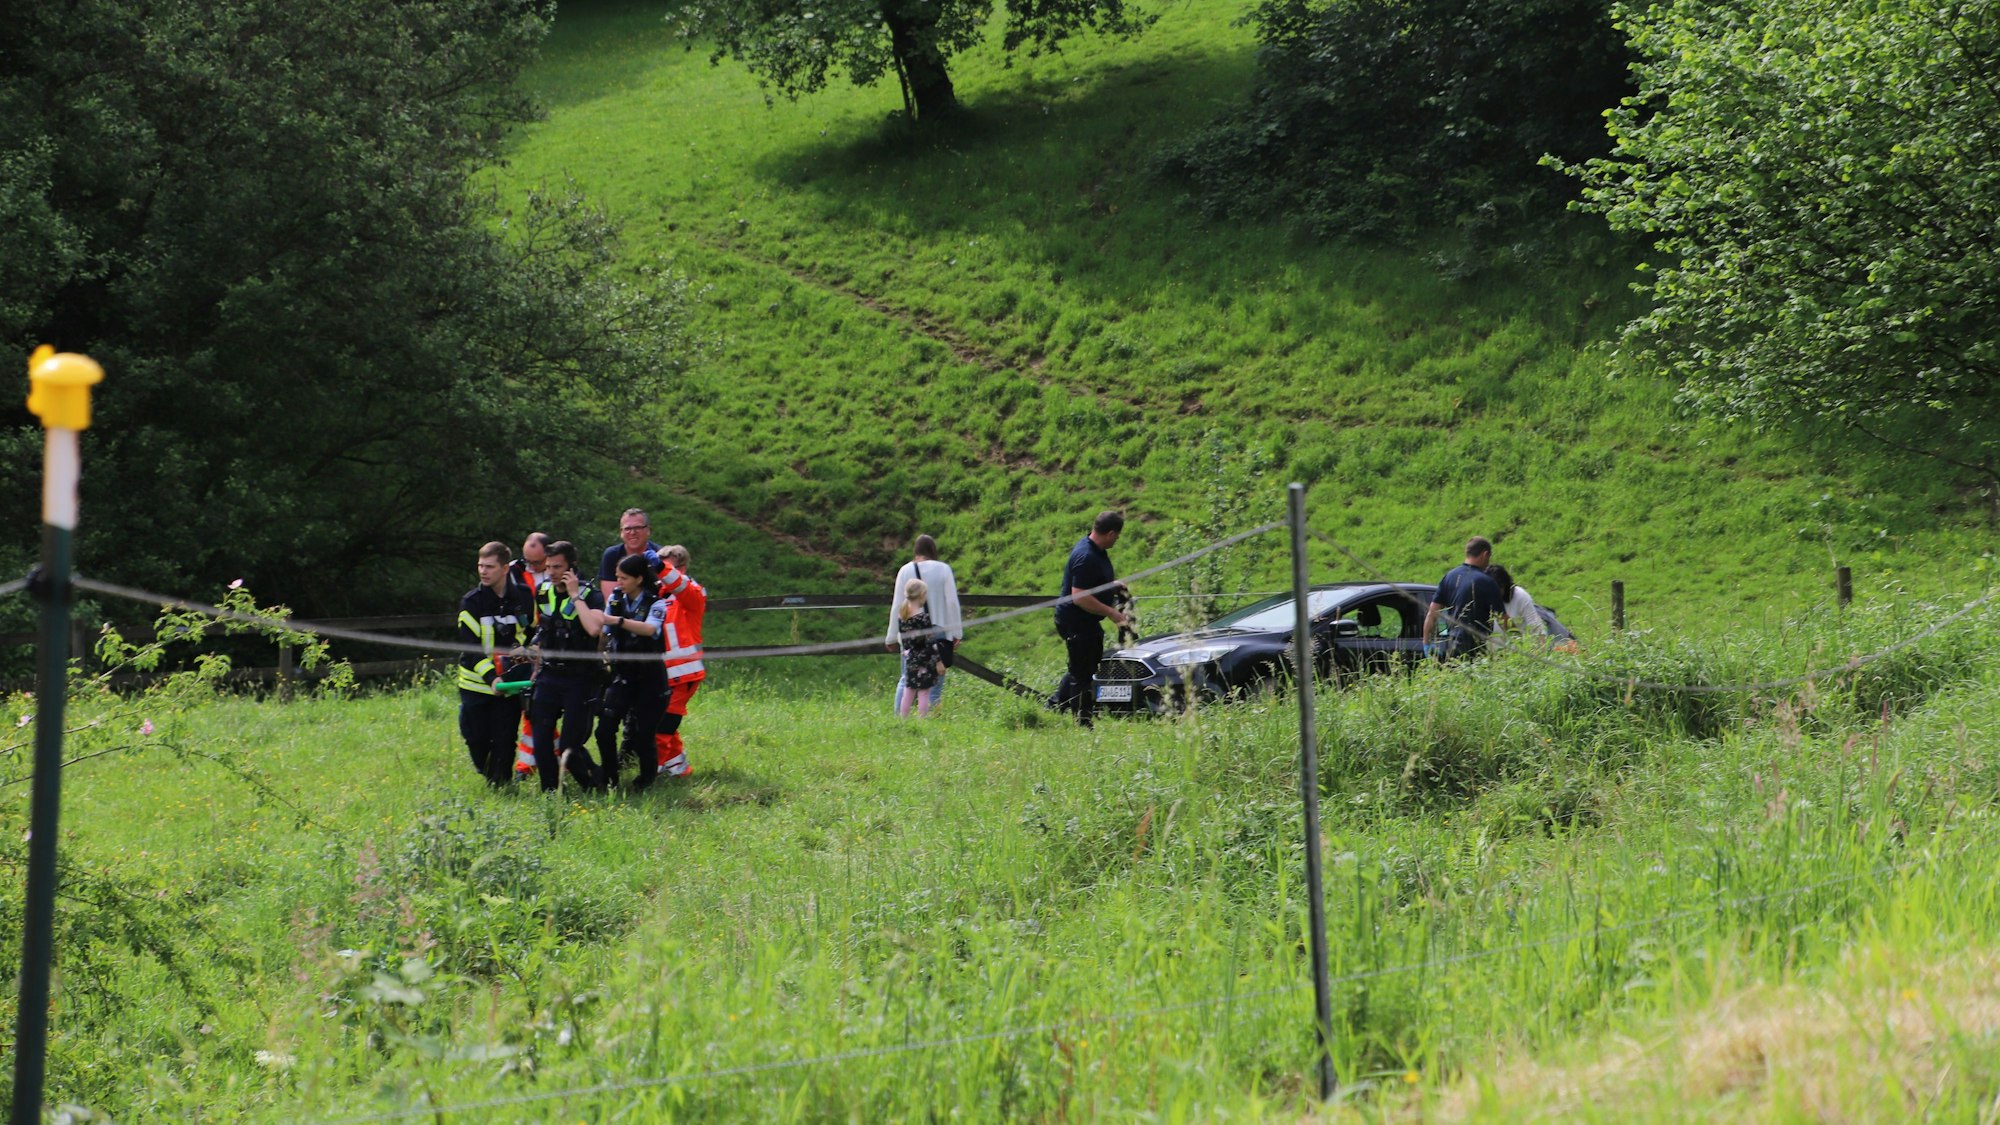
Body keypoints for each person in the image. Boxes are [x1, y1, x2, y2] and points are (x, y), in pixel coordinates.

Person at [526, 540, 608, 792]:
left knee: (570, 747)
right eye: (548, 566)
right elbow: (543, 630)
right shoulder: (542, 592)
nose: (551, 572)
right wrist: (533, 663)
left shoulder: (589, 595)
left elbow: (595, 629)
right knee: (541, 742)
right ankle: (550, 792)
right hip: (549, 676)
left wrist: (574, 594)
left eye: (557, 566)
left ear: (572, 566)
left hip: (579, 679)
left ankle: (595, 786)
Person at [456, 541, 533, 786]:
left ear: (504, 569)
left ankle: (501, 786)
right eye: (480, 566)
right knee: (477, 738)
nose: (483, 571)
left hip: (510, 684)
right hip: (476, 685)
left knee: (505, 738)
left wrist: (529, 653)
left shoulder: (522, 597)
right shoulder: (472, 602)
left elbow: (532, 633)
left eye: (489, 566)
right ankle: (488, 771)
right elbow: (471, 650)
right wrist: (492, 678)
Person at [596, 553, 669, 790]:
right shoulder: (616, 599)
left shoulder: (656, 602)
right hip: (622, 675)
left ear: (638, 579)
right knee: (604, 729)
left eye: (624, 578)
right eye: (617, 577)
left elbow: (649, 629)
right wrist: (599, 656)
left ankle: (646, 781)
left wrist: (617, 621)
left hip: (650, 677)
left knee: (642, 735)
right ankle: (609, 778)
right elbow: (605, 632)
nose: (618, 583)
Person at [1053, 511, 1131, 727]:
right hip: (1074, 620)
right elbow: (1079, 596)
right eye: (1117, 536)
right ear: (1110, 533)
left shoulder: (1096, 549)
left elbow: (1091, 583)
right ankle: (1083, 722)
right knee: (1082, 673)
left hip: (1087, 621)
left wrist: (1112, 585)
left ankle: (1055, 705)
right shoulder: (1086, 556)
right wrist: (1112, 613)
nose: (1117, 540)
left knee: (1086, 664)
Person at [884, 533, 962, 712]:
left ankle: (898, 720)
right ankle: (929, 722)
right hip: (939, 631)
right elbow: (951, 602)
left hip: (911, 632)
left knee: (907, 679)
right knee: (934, 681)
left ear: (916, 551)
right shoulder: (944, 569)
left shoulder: (905, 570)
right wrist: (956, 632)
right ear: (933, 550)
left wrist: (891, 637)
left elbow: (897, 605)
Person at [653, 544, 707, 778]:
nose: (661, 574)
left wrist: (660, 567)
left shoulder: (692, 593)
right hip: (663, 674)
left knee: (660, 727)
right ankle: (678, 768)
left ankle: (651, 770)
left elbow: (681, 586)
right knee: (663, 724)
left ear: (681, 568)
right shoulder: (658, 596)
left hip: (684, 674)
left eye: (667, 569)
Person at [509, 531, 550, 778]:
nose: (532, 566)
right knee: (531, 705)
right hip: (522, 645)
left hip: (551, 644)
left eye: (537, 562)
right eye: (528, 561)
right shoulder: (513, 571)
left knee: (540, 705)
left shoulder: (562, 570)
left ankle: (537, 760)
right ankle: (527, 764)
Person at [1423, 536, 1504, 661]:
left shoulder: (1449, 577)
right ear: (1485, 554)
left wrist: (1426, 644)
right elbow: (1503, 619)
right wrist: (1520, 639)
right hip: (1476, 650)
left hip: (1452, 647)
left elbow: (1432, 614)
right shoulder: (1487, 582)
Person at [895, 578, 948, 718]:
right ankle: (922, 720)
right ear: (922, 594)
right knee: (924, 692)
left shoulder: (902, 616)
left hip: (911, 657)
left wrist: (908, 651)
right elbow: (930, 642)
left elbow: (906, 642)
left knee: (908, 690)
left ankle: (902, 719)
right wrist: (938, 661)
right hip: (925, 659)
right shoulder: (923, 618)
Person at [598, 508, 662, 600]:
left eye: (637, 528)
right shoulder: (612, 555)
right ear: (621, 532)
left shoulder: (660, 555)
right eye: (627, 529)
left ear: (648, 530)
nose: (632, 533)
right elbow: (611, 600)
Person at [1484, 562, 1549, 643]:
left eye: (1496, 591)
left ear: (1504, 586)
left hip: (1518, 649)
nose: (1493, 595)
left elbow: (1537, 629)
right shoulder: (1482, 597)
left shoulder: (1520, 596)